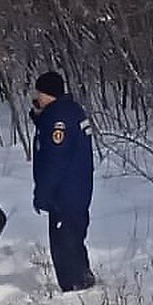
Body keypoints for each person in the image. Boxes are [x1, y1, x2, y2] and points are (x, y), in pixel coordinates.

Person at [30, 72, 96, 292]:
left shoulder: (58, 119)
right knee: (74, 238)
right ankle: (83, 279)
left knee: (64, 243)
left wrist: (42, 194)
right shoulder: (71, 111)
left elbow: (54, 160)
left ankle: (75, 288)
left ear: (48, 94)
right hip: (77, 189)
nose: (36, 98)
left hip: (65, 192)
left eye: (39, 93)